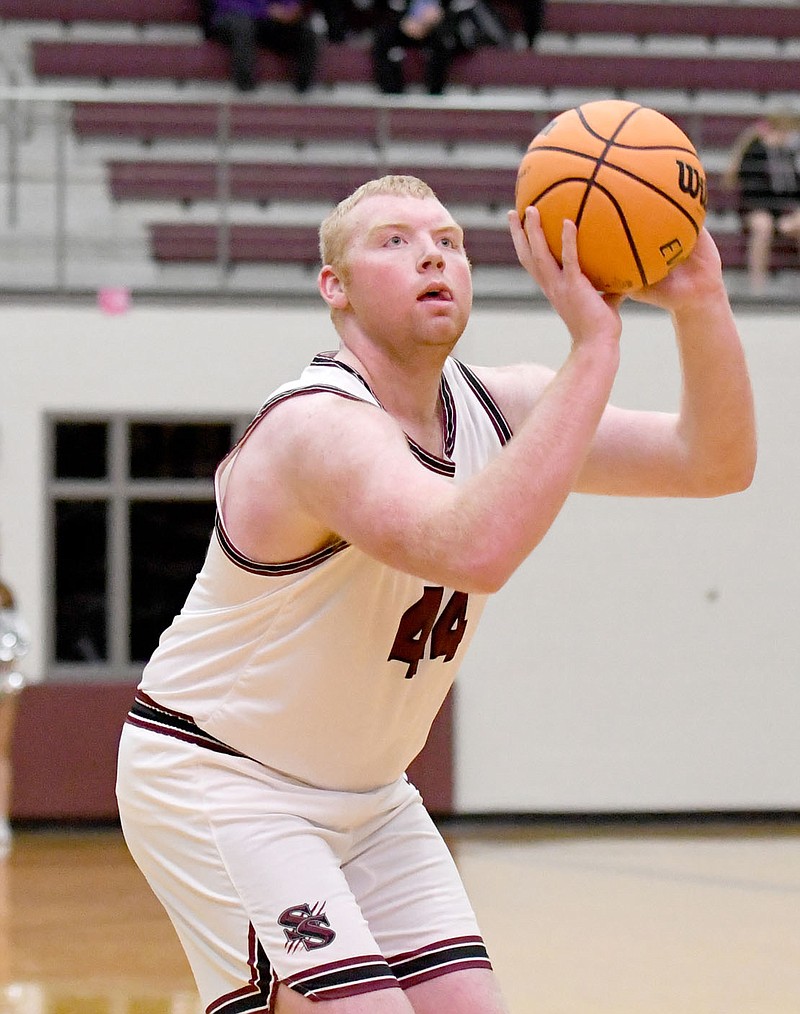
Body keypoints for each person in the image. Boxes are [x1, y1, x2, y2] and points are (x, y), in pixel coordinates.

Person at [116, 175, 756, 1013]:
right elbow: (475, 550)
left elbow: (712, 463)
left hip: (372, 795)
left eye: (450, 241)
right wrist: (595, 349)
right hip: (225, 778)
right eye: (395, 240)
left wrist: (702, 302)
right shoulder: (319, 429)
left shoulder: (501, 403)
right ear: (333, 288)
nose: (432, 255)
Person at [723, 113, 800, 295]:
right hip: (756, 207)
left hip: (782, 209)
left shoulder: (788, 154)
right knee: (763, 226)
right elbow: (739, 182)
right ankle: (757, 288)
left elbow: (793, 188)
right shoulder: (755, 149)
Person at [372, 0, 510, 95]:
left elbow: (464, 13)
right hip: (410, 26)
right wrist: (405, 22)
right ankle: (391, 94)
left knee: (444, 42)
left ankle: (435, 94)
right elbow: (390, 10)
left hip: (442, 28)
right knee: (383, 40)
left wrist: (439, 18)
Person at [208, 0, 320, 93]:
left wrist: (290, 10)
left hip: (268, 19)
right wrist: (266, 11)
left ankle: (304, 89)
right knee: (243, 27)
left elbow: (289, 5)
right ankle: (245, 88)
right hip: (232, 16)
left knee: (307, 31)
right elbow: (226, 4)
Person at [0, 577, 31, 859]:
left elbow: (19, 648)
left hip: (5, 689)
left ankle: (1, 824)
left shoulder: (9, 605)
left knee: (1, 754)